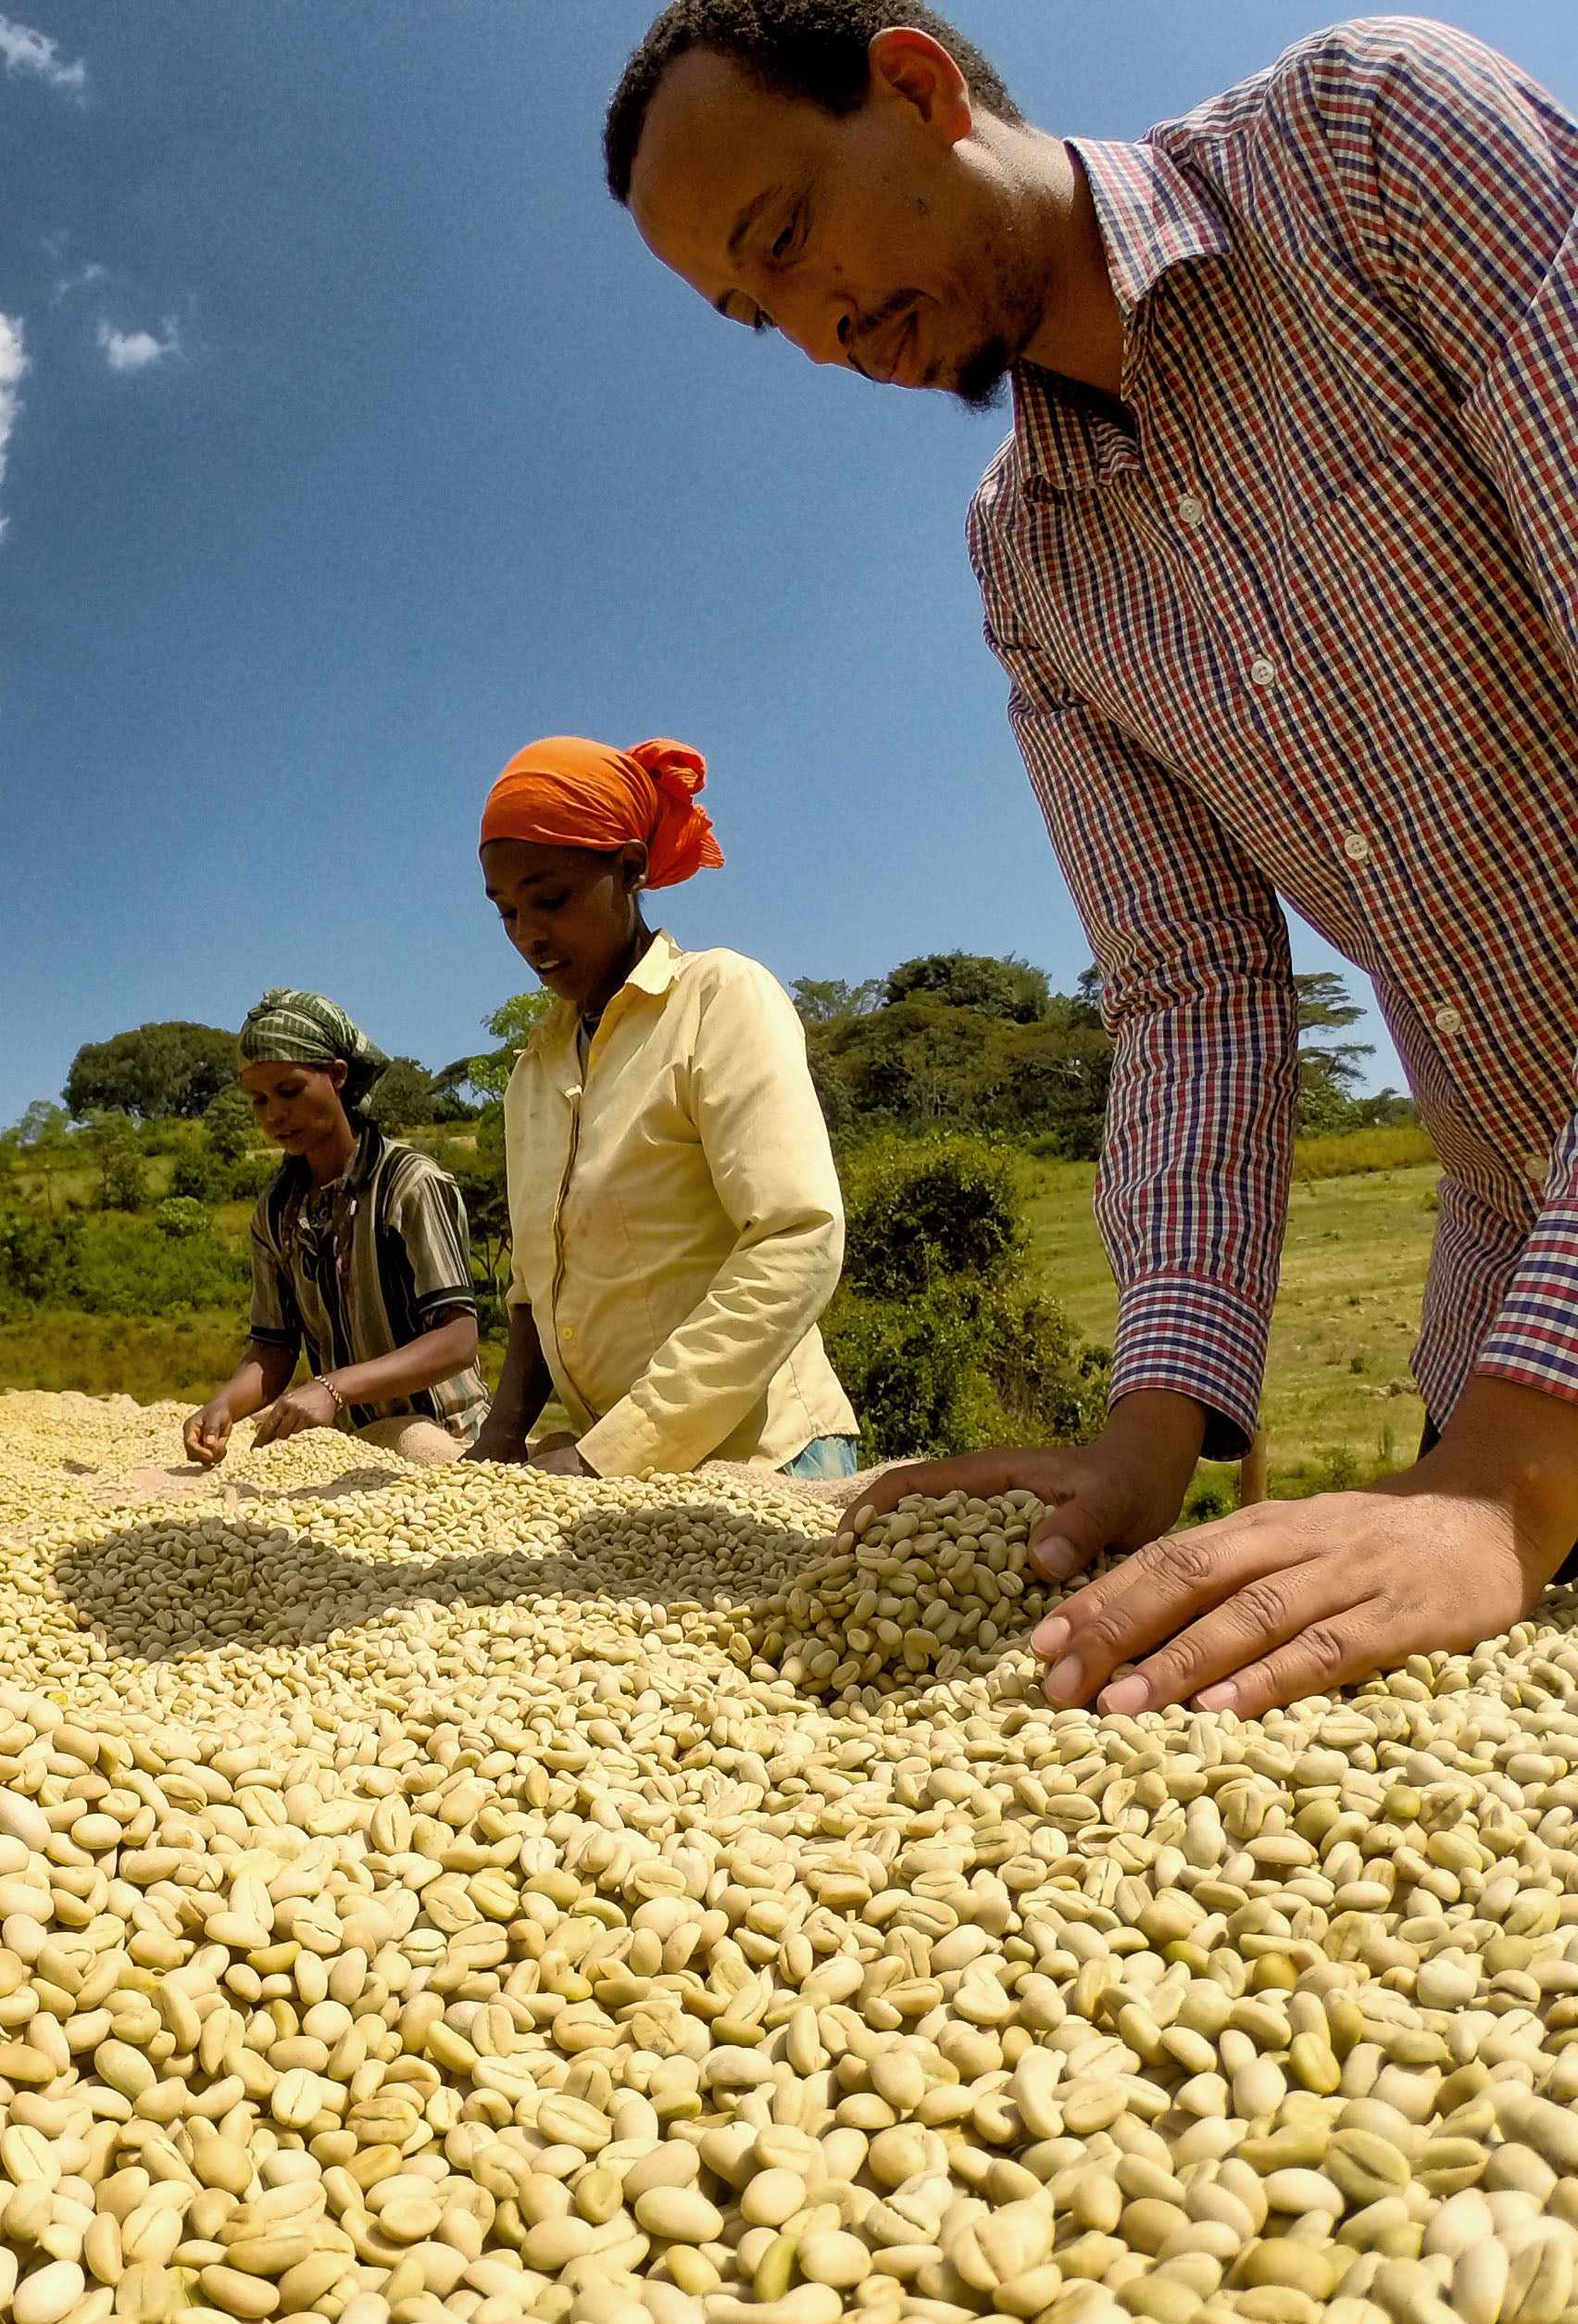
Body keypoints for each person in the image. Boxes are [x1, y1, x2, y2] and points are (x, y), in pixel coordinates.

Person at [607, 4, 1578, 1717]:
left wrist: (1510, 1480)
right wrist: (1149, 1434)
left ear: (918, 85)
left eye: (788, 236)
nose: (821, 337)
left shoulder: (1373, 145)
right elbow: (1192, 990)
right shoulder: (1030, 560)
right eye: (761, 316)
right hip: (1520, 1311)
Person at [465, 736, 857, 1481]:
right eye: (507, 912)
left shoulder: (717, 998)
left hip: (765, 1460)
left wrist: (614, 1452)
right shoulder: (535, 1072)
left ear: (630, 869)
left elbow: (796, 1237)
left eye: (550, 900)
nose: (529, 936)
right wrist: (501, 1437)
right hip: (615, 1472)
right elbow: (533, 1288)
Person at [182, 990, 488, 1470]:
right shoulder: (277, 1210)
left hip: (445, 1435)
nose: (273, 1114)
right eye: (259, 1100)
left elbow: (457, 1341)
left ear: (338, 1075)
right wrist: (224, 1405)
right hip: (355, 1445)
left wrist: (333, 1388)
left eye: (289, 1091)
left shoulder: (409, 1185)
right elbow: (274, 1348)